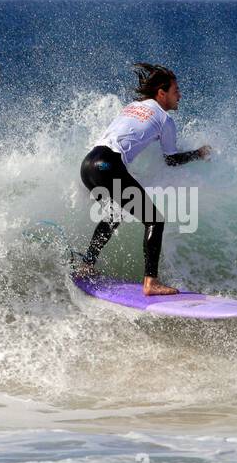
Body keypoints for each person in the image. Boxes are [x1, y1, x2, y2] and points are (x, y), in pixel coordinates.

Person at [78, 63, 211, 295]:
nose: (179, 95)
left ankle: (86, 265)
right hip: (108, 165)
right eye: (175, 90)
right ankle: (151, 282)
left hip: (89, 164)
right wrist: (198, 154)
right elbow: (171, 160)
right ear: (161, 93)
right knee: (155, 220)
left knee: (114, 214)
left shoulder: (132, 107)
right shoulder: (164, 119)